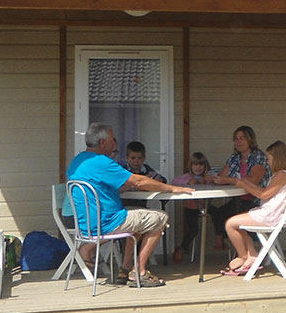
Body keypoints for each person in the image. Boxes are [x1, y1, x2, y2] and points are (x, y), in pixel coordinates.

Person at [67, 123, 193, 287]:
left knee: (141, 218)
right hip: (108, 222)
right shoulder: (102, 162)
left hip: (87, 225)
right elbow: (139, 180)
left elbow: (108, 185)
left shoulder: (78, 161)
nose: (115, 144)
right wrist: (171, 188)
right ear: (103, 143)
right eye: (112, 140)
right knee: (160, 218)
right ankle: (138, 271)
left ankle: (124, 270)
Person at [221, 140, 286, 277]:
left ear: (277, 158)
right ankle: (252, 255)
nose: (267, 161)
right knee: (238, 225)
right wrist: (245, 183)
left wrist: (243, 184)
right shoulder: (278, 175)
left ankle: (243, 257)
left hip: (270, 215)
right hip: (268, 213)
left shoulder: (282, 175)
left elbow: (263, 194)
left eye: (269, 158)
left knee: (230, 224)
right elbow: (264, 190)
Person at [208, 125, 271, 250]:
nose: (238, 141)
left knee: (234, 216)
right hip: (239, 199)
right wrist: (213, 178)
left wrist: (229, 180)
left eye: (242, 138)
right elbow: (222, 176)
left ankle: (248, 252)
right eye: (236, 139)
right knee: (218, 213)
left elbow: (254, 179)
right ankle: (224, 242)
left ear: (250, 140)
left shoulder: (258, 156)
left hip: (256, 200)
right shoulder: (235, 157)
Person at [170, 152, 214, 263]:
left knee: (219, 214)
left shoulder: (207, 176)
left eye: (201, 165)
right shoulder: (187, 177)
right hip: (191, 208)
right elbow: (174, 181)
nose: (198, 167)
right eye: (195, 165)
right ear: (191, 166)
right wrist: (188, 182)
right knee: (193, 230)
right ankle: (182, 248)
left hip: (205, 206)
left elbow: (216, 186)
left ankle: (220, 238)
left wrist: (210, 181)